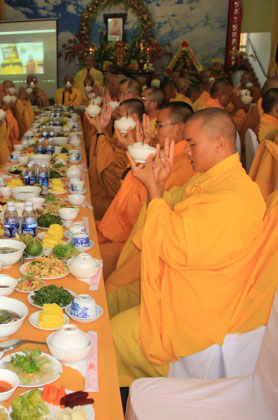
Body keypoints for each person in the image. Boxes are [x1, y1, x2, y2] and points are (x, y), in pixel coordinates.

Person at [110, 108, 268, 386]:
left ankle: (109, 397)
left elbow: (173, 245)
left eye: (192, 144)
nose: (187, 151)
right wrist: (157, 185)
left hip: (196, 314)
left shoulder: (233, 197)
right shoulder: (213, 178)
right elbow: (172, 202)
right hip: (179, 282)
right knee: (111, 299)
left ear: (219, 143)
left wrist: (155, 190)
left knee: (115, 335)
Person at [97, 102, 195, 280]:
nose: (155, 132)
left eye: (159, 126)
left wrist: (140, 163)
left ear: (179, 128)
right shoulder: (162, 154)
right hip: (119, 228)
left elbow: (137, 211)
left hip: (133, 241)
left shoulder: (181, 166)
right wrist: (136, 153)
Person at [87, 99, 145, 219]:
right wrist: (102, 129)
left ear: (134, 118)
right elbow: (110, 145)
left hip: (114, 201)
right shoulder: (125, 132)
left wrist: (100, 132)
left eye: (120, 116)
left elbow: (110, 170)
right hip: (106, 194)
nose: (117, 119)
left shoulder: (139, 140)